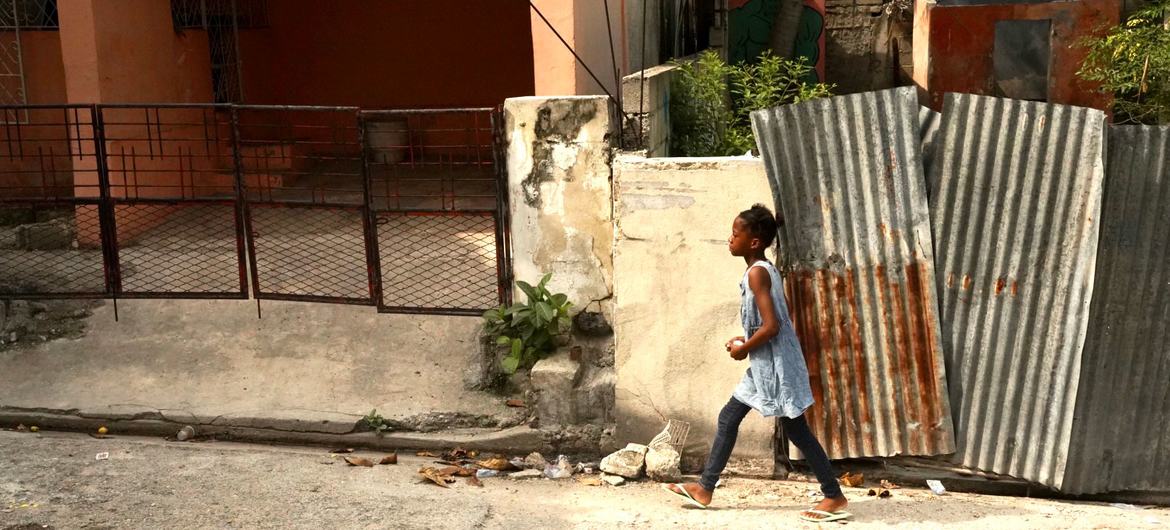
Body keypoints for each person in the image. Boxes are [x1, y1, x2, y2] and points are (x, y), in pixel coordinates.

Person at [662, 204, 850, 523]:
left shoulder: (758, 273)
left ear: (753, 242)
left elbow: (773, 325)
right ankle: (705, 488)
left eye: (736, 234)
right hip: (766, 365)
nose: (730, 239)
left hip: (777, 367)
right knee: (729, 417)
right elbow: (775, 318)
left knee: (797, 431)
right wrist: (746, 340)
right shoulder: (765, 269)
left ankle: (834, 495)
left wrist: (743, 348)